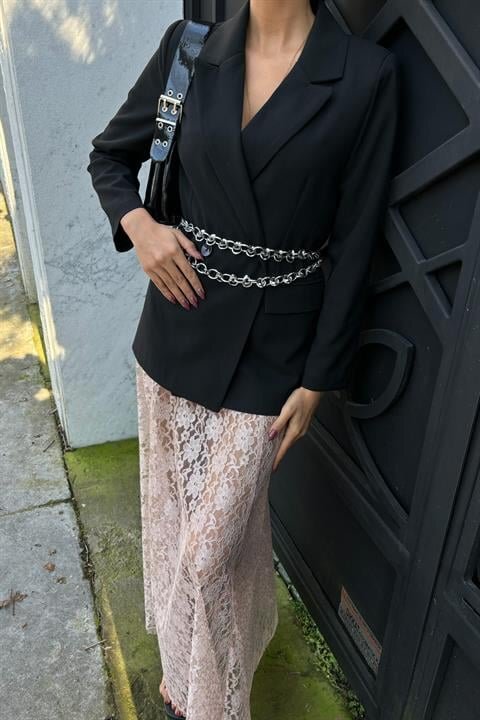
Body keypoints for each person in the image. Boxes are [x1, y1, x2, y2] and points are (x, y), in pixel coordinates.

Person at [86, 1, 399, 718]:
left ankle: (216, 698)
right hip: (175, 332)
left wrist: (319, 379)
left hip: (274, 354)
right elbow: (110, 157)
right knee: (174, 531)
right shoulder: (189, 48)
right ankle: (186, 688)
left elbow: (357, 242)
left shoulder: (366, 75)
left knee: (210, 553)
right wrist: (142, 229)